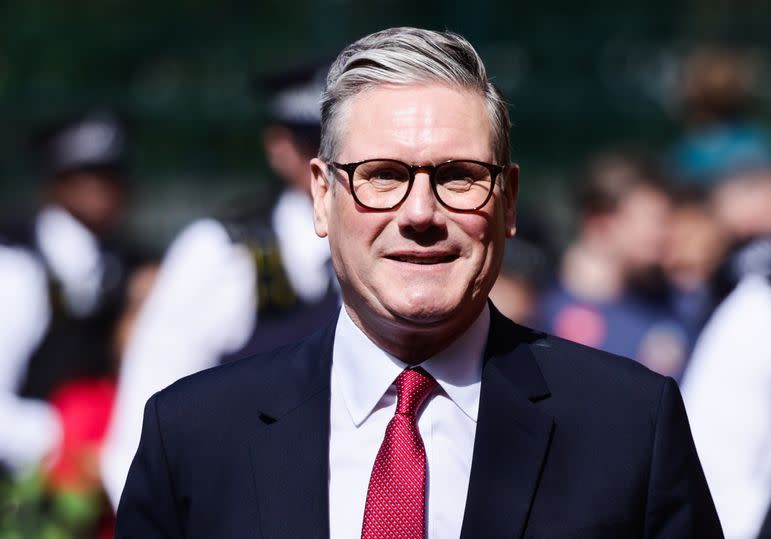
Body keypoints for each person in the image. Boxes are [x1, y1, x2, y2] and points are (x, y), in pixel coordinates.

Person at [115, 27, 722, 538]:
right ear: (322, 197)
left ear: (508, 201)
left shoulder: (628, 426)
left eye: (458, 176)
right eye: (382, 175)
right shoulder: (193, 437)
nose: (420, 213)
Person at [99, 61, 338, 507]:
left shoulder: (409, 247)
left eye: (345, 143)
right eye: (316, 142)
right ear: (280, 147)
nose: (330, 161)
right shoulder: (220, 253)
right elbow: (144, 424)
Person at [0, 110, 141, 474]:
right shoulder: (18, 270)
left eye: (111, 177)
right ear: (55, 184)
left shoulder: (131, 266)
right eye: (85, 177)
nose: (102, 191)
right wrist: (67, 439)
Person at [535, 151, 690, 380]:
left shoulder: (679, 305)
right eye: (654, 219)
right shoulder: (538, 310)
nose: (664, 234)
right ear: (602, 222)